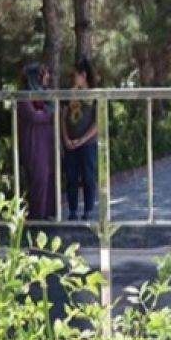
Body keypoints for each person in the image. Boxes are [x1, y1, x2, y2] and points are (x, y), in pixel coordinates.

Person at [17, 62, 55, 221]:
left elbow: (51, 111)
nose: (47, 77)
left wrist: (45, 112)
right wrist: (46, 113)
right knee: (39, 176)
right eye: (44, 74)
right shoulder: (24, 95)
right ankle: (37, 217)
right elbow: (34, 116)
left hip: (47, 140)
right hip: (33, 140)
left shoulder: (45, 94)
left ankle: (48, 213)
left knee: (49, 176)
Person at [61, 59, 98, 222]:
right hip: (71, 143)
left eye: (74, 75)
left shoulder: (95, 94)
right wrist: (65, 138)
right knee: (71, 177)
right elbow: (63, 117)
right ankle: (72, 210)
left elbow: (98, 122)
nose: (72, 78)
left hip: (88, 143)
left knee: (88, 177)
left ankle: (88, 209)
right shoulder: (70, 94)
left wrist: (83, 139)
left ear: (83, 75)